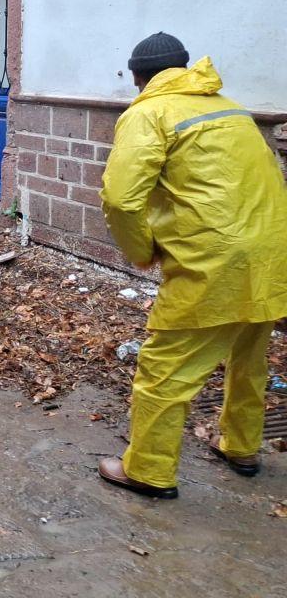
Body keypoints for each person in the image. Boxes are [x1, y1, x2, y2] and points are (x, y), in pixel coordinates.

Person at [97, 32, 287, 499]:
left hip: (212, 261)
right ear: (184, 67)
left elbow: (121, 200)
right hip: (269, 256)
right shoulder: (231, 108)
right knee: (248, 358)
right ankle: (241, 447)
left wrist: (141, 251)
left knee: (166, 367)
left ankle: (147, 470)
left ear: (140, 78)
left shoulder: (148, 113)